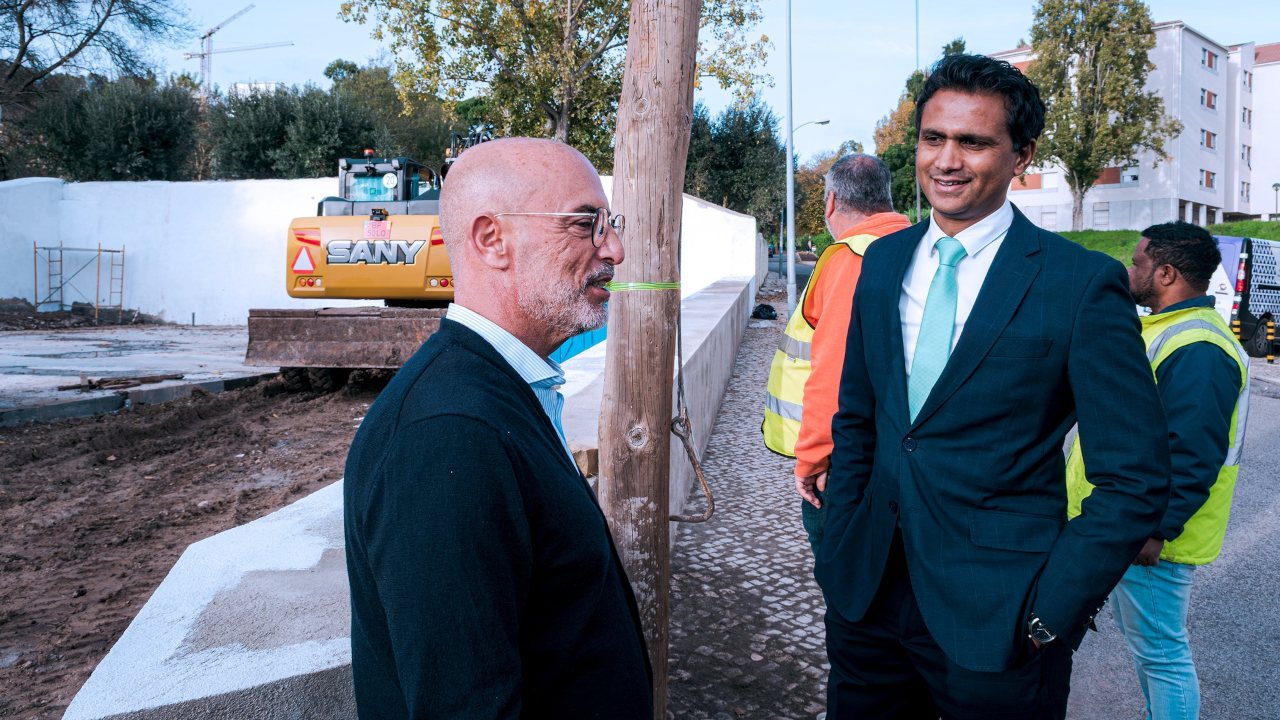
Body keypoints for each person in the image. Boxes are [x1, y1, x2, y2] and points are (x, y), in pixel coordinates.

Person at [810, 54, 1171, 719]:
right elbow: (859, 416)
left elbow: (1136, 478)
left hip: (1004, 617)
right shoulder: (883, 260)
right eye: (932, 138)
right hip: (866, 599)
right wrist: (840, 545)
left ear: (1020, 155)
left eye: (973, 142)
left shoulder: (1079, 284)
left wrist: (1051, 612)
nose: (946, 160)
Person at [343, 137, 653, 719]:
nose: (615, 247)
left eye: (610, 222)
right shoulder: (446, 437)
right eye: (586, 223)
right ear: (492, 240)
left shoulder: (500, 394)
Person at [1066, 222, 1251, 720]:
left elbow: (1192, 452)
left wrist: (1156, 529)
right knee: (1150, 647)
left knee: (1162, 654)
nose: (1130, 268)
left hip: (1153, 536)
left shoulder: (1199, 347)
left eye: (1138, 261)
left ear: (1166, 273)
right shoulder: (1167, 330)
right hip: (1130, 523)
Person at [761, 153, 911, 554]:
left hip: (849, 458)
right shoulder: (919, 245)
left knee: (846, 580)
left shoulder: (851, 257)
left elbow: (835, 372)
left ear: (830, 201)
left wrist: (811, 459)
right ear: (887, 197)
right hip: (905, 448)